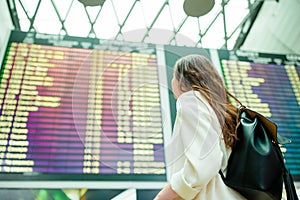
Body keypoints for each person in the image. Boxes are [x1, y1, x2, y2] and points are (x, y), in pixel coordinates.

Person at [154, 54, 246, 199]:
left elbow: (205, 162)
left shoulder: (191, 101)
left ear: (181, 82)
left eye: (174, 76)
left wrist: (165, 195)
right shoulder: (222, 110)